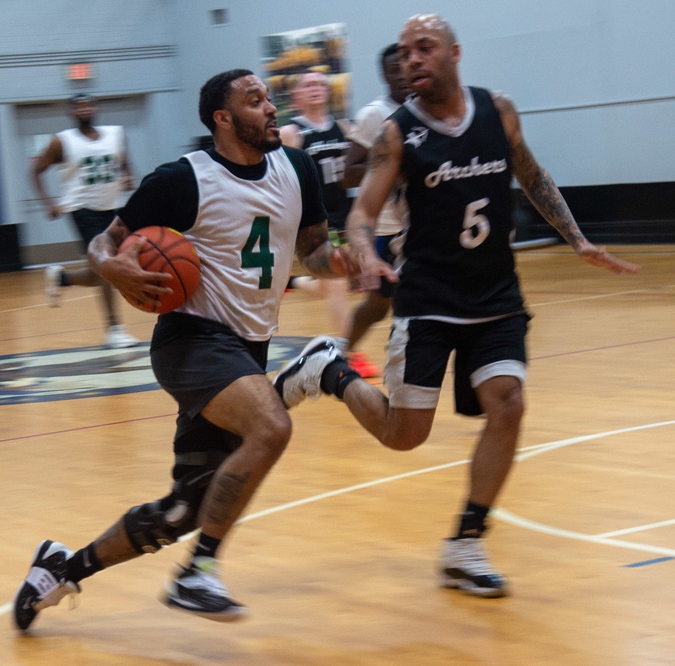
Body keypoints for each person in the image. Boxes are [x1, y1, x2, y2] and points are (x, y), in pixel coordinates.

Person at [273, 15, 640, 599]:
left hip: (495, 293)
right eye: (406, 52)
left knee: (509, 403)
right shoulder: (397, 133)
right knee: (404, 435)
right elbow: (363, 213)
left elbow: (534, 175)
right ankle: (328, 370)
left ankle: (467, 541)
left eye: (426, 48)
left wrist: (577, 239)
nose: (413, 59)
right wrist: (364, 252)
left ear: (454, 53)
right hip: (430, 297)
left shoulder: (499, 110)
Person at [12, 68, 356, 630]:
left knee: (183, 509)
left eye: (268, 97)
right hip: (190, 342)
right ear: (223, 119)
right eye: (255, 100)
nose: (270, 107)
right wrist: (111, 267)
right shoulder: (182, 180)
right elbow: (106, 240)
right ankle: (199, 572)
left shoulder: (297, 168)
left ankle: (60, 568)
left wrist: (338, 261)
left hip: (247, 350)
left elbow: (313, 250)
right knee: (271, 427)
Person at [279, 71, 379, 376]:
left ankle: (292, 283)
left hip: (342, 212)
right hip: (313, 218)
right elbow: (284, 180)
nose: (315, 88)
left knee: (339, 283)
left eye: (320, 84)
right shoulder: (292, 133)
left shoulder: (345, 127)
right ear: (297, 96)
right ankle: (349, 353)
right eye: (307, 85)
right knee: (336, 283)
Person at [31, 93, 139, 349]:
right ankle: (114, 329)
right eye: (78, 106)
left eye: (88, 104)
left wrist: (128, 177)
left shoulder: (115, 134)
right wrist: (48, 203)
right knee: (107, 266)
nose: (84, 109)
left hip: (112, 207)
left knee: (102, 269)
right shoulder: (61, 141)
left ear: (96, 108)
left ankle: (61, 279)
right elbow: (36, 171)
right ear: (70, 112)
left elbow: (124, 163)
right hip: (82, 209)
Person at [338, 43, 413, 379]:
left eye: (407, 66)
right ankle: (341, 353)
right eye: (395, 68)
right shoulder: (374, 114)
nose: (404, 73)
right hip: (386, 228)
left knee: (390, 304)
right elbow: (348, 173)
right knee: (387, 306)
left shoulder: (426, 109)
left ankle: (340, 352)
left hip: (418, 223)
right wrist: (390, 162)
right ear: (385, 74)